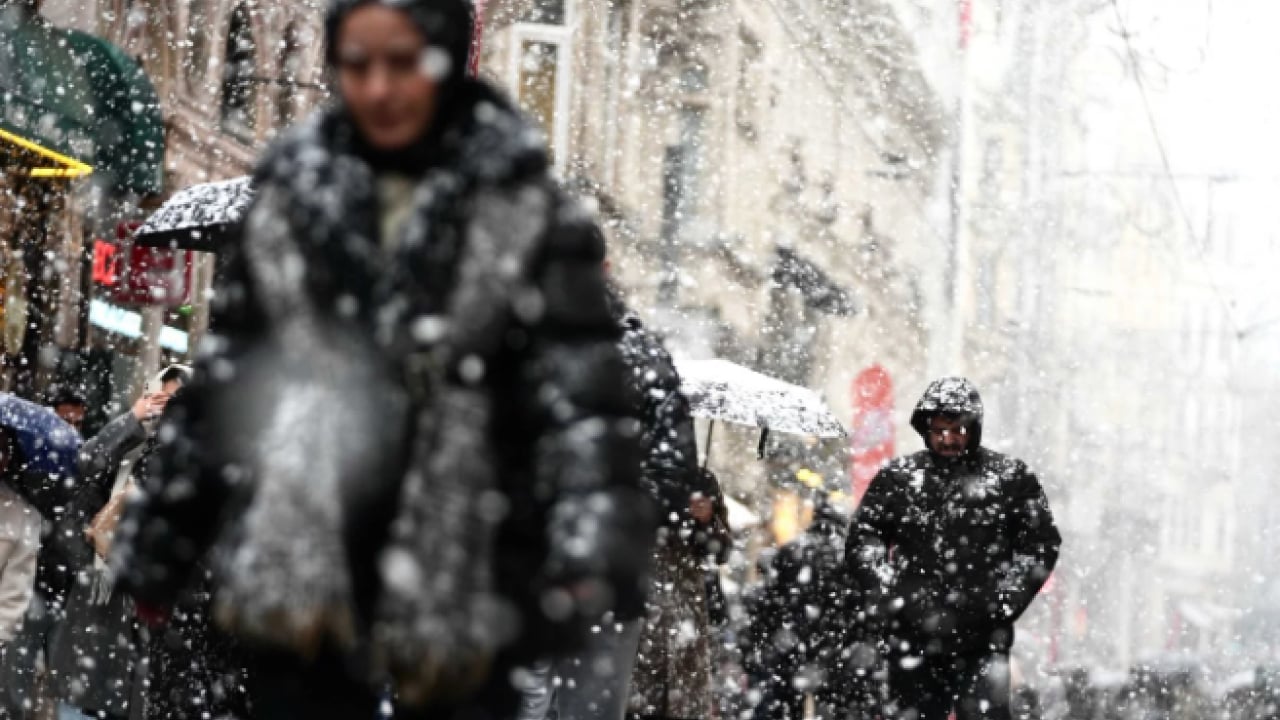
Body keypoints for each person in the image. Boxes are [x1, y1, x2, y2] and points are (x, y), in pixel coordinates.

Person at [111, 1, 649, 718]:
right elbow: (231, 377)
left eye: (402, 62)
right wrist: (165, 538)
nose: (378, 87)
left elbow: (582, 399)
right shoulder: (300, 191)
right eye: (358, 64)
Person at [843, 378, 1061, 720]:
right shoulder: (899, 478)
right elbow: (864, 538)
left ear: (973, 428)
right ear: (926, 430)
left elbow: (1040, 544)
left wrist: (1004, 601)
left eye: (956, 429)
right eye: (939, 430)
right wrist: (887, 590)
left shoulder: (1010, 479)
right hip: (912, 638)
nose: (947, 438)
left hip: (982, 640)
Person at [48, 366, 192, 720]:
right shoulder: (128, 450)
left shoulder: (196, 466)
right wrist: (132, 419)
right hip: (97, 625)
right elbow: (80, 480)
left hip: (153, 640)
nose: (168, 408)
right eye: (163, 397)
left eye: (180, 401)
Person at [745, 496, 850, 720]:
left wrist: (766, 640)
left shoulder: (791, 551)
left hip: (790, 645)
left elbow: (768, 601)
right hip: (833, 650)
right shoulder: (846, 556)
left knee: (786, 708)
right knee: (832, 709)